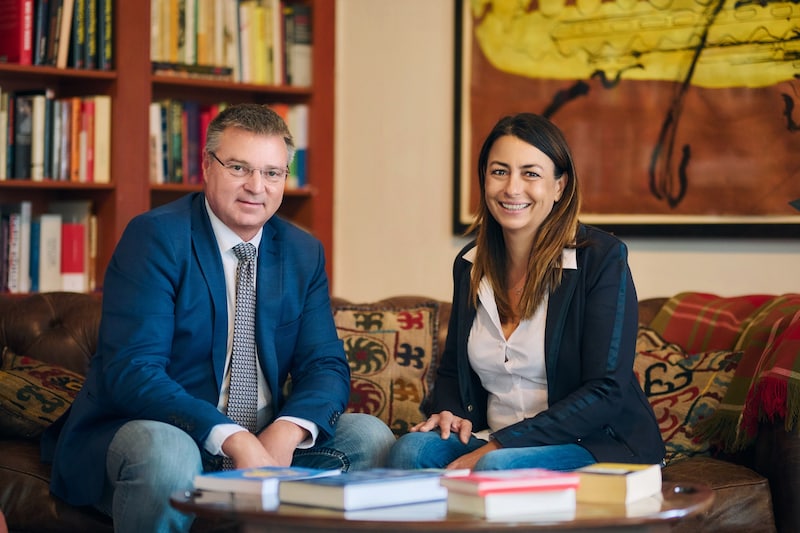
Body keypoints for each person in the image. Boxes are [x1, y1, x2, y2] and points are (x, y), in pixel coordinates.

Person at [41, 103, 396, 532]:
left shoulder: (303, 253)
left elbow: (325, 365)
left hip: (262, 440)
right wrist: (231, 436)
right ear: (207, 167)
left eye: (272, 173)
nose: (256, 187)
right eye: (239, 168)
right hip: (162, 431)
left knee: (370, 438)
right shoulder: (155, 237)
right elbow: (133, 371)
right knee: (169, 451)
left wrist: (284, 433)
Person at [387, 113, 665, 472]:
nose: (512, 189)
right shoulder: (470, 264)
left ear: (559, 186)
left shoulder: (601, 258)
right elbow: (454, 371)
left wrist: (502, 445)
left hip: (597, 441)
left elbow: (606, 391)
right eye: (499, 171)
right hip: (497, 437)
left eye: (530, 174)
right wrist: (449, 412)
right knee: (410, 452)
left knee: (497, 470)